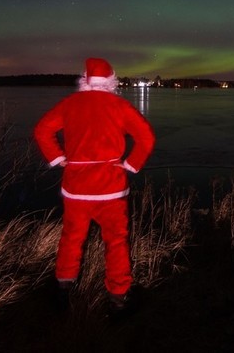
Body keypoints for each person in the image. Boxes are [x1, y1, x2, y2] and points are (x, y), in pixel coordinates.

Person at [33, 57, 155, 312]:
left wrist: (58, 158)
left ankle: (63, 289)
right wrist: (131, 164)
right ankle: (118, 296)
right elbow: (146, 137)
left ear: (85, 81)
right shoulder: (119, 106)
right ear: (111, 81)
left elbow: (42, 130)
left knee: (71, 238)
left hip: (76, 188)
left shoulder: (70, 104)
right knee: (116, 241)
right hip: (111, 189)